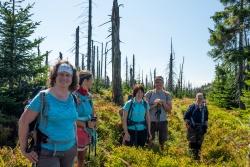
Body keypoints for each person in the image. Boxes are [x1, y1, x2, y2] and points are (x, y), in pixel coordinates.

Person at [18, 61, 78, 167]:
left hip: (70, 150)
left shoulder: (73, 97)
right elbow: (23, 121)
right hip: (47, 152)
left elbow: (72, 122)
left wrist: (75, 144)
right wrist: (24, 150)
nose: (64, 77)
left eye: (68, 75)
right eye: (61, 74)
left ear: (72, 78)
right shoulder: (43, 97)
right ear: (54, 76)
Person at [74, 70, 96, 167]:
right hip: (76, 131)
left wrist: (94, 122)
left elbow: (92, 113)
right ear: (85, 80)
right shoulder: (74, 96)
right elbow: (70, 118)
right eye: (91, 79)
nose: (92, 82)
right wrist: (86, 124)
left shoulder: (89, 96)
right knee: (75, 158)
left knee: (82, 158)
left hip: (87, 131)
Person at [145, 76, 172, 151]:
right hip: (151, 121)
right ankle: (149, 153)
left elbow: (169, 110)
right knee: (150, 139)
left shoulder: (167, 94)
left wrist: (163, 103)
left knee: (163, 140)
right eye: (156, 82)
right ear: (154, 83)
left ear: (163, 83)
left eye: (160, 82)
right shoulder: (149, 93)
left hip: (163, 121)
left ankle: (162, 153)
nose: (158, 84)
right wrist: (154, 104)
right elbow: (145, 108)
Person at [184, 93, 208, 160]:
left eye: (201, 98)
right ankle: (191, 157)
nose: (200, 99)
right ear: (196, 98)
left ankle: (197, 156)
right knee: (192, 142)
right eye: (198, 98)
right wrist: (188, 125)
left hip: (201, 127)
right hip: (192, 127)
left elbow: (206, 118)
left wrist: (206, 126)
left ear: (203, 99)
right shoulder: (192, 106)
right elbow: (186, 117)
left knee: (199, 143)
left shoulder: (205, 107)